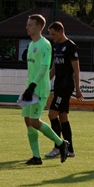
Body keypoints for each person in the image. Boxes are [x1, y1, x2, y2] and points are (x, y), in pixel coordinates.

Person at [18, 14, 69, 166]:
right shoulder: (31, 45)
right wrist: (28, 87)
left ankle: (61, 144)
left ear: (39, 27)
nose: (27, 27)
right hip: (30, 88)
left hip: (39, 89)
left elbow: (44, 67)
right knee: (28, 121)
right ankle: (36, 157)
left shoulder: (45, 44)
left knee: (34, 120)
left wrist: (33, 85)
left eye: (30, 25)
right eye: (27, 24)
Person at [44, 22, 84, 159]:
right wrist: (44, 82)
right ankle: (70, 149)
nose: (52, 36)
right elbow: (54, 68)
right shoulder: (57, 46)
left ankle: (58, 147)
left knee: (51, 114)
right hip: (58, 86)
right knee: (63, 117)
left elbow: (76, 69)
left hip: (66, 86)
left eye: (53, 34)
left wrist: (78, 89)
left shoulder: (70, 46)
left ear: (61, 31)